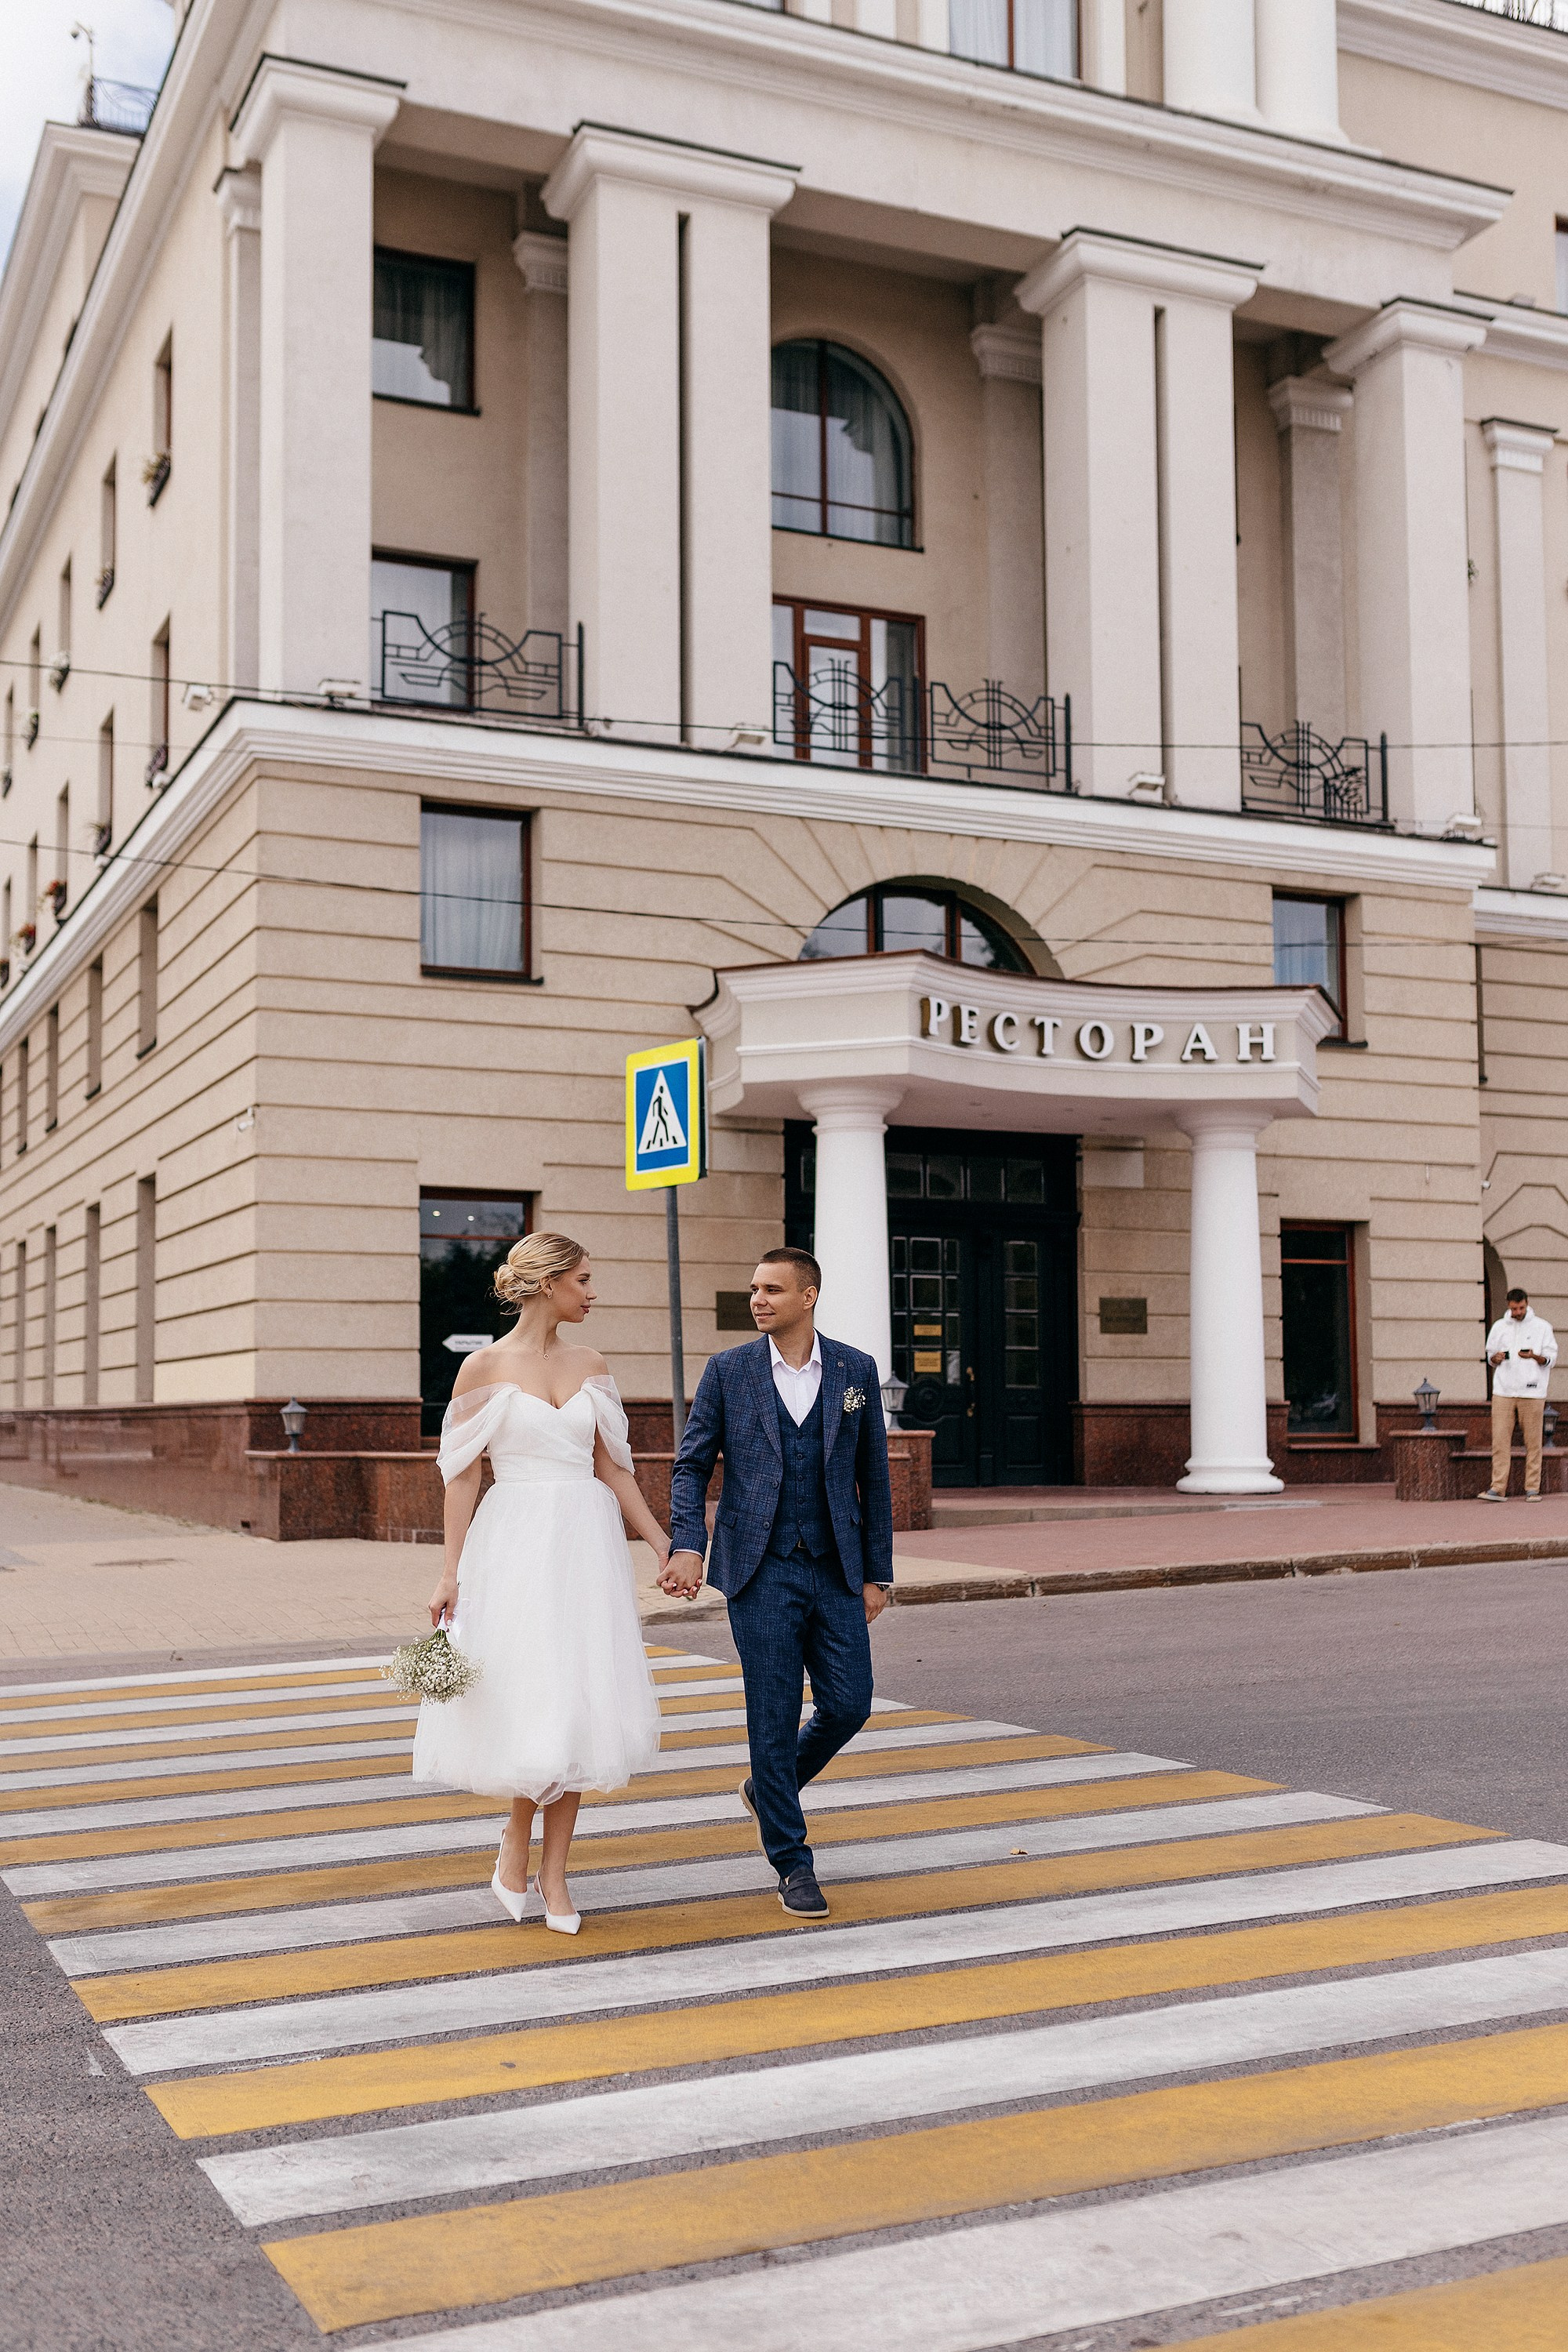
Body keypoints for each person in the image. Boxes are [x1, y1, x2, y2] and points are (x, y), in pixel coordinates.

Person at [413, 1232, 668, 1929]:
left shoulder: (592, 1362)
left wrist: (662, 1545)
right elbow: (462, 1479)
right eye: (583, 1279)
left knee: (578, 1705)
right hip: (516, 1547)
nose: (593, 1292)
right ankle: (516, 1846)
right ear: (549, 1283)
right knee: (538, 1705)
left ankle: (550, 1873)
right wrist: (449, 1574)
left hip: (585, 1548)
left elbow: (615, 1469)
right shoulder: (482, 1368)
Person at [659, 1245, 894, 1918]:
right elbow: (691, 1464)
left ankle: (769, 1787)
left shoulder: (854, 1368)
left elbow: (874, 1477)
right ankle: (792, 1862)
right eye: (754, 1289)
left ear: (808, 1296)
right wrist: (687, 1544)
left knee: (850, 1705)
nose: (758, 1299)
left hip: (836, 1566)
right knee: (772, 1714)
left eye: (772, 1289)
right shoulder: (729, 1371)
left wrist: (878, 1572)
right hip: (759, 1568)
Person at [1479, 1284, 1558, 1501]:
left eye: (1521, 1308)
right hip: (1503, 1390)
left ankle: (1533, 1488)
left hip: (1532, 1392)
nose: (1517, 1313)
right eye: (1514, 1309)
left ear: (1527, 1304)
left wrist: (1535, 1356)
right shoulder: (1499, 1327)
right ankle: (1497, 1487)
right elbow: (1490, 1356)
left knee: (1533, 1442)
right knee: (1500, 1440)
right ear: (1509, 1306)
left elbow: (1551, 1359)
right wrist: (1495, 1359)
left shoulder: (1542, 1327)